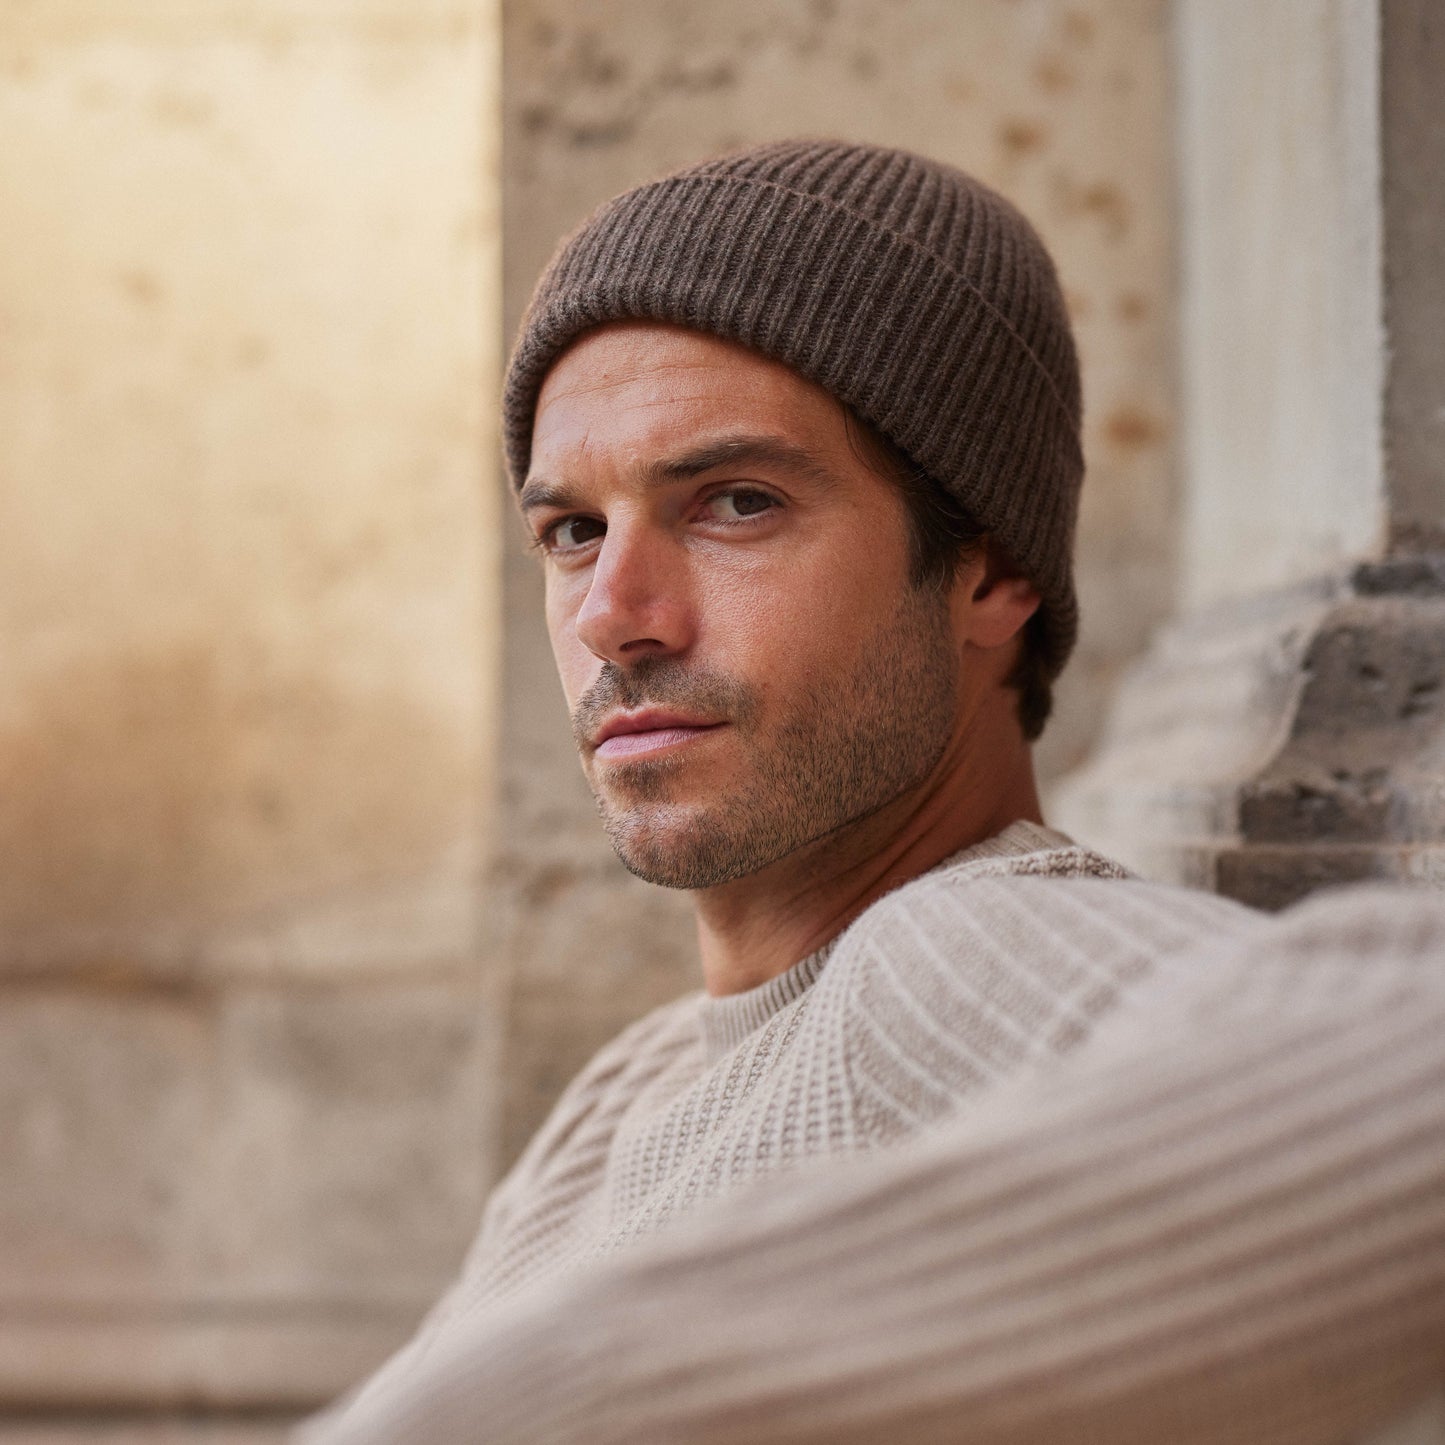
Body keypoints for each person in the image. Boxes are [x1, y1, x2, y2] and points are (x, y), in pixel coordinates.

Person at [302, 140, 1445, 1443]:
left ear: (990, 573)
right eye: (573, 531)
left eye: (735, 503)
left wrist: (568, 1393)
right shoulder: (631, 1093)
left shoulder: (960, 946)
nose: (614, 613)